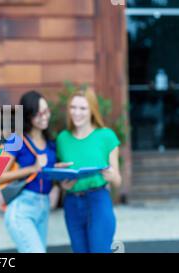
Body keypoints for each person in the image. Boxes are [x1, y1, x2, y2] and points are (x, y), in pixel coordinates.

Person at [56, 87, 122, 253]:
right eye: (73, 107)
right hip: (72, 203)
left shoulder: (106, 136)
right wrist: (63, 185)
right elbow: (61, 176)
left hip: (98, 200)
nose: (77, 113)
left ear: (92, 110)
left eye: (83, 108)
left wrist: (111, 175)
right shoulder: (62, 139)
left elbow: (118, 180)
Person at [0, 91, 58, 253]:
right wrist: (32, 168)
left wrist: (60, 171)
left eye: (46, 111)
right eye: (38, 114)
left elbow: (47, 174)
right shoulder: (15, 140)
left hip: (43, 207)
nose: (44, 117)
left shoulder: (51, 143)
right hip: (22, 209)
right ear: (28, 116)